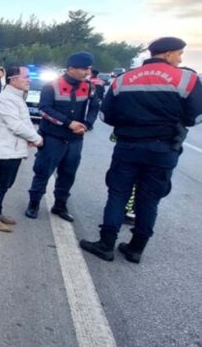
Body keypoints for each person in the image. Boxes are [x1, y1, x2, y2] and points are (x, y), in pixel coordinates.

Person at [80, 37, 202, 263]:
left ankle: (106, 244)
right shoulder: (187, 79)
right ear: (167, 54)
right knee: (149, 199)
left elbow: (106, 116)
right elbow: (195, 117)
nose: (180, 58)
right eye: (179, 54)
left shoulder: (123, 79)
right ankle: (136, 249)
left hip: (128, 146)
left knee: (117, 194)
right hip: (164, 149)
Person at [25, 51, 99, 222]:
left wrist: (87, 124)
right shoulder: (52, 86)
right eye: (84, 69)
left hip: (74, 140)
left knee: (68, 174)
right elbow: (44, 109)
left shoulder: (89, 87)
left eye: (89, 69)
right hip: (53, 137)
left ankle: (60, 205)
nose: (88, 72)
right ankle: (34, 203)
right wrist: (68, 123)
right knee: (43, 171)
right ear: (71, 68)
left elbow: (95, 107)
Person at [0, 66, 44, 232]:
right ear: (13, 79)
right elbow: (15, 125)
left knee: (6, 183)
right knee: (1, 183)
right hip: (5, 150)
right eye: (26, 76)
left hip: (12, 148)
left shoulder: (16, 97)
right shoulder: (7, 99)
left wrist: (29, 137)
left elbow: (24, 122)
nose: (29, 80)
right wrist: (36, 139)